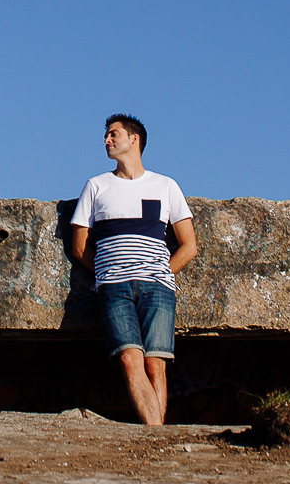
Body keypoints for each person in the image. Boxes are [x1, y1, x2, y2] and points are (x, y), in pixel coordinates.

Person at [67, 114, 198, 425]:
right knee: (129, 358)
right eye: (107, 136)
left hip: (157, 286)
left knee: (156, 363)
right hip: (113, 287)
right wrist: (104, 271)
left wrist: (163, 273)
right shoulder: (96, 186)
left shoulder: (165, 185)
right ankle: (156, 433)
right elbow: (79, 245)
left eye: (114, 135)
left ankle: (154, 436)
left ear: (134, 139)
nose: (107, 141)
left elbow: (189, 245)